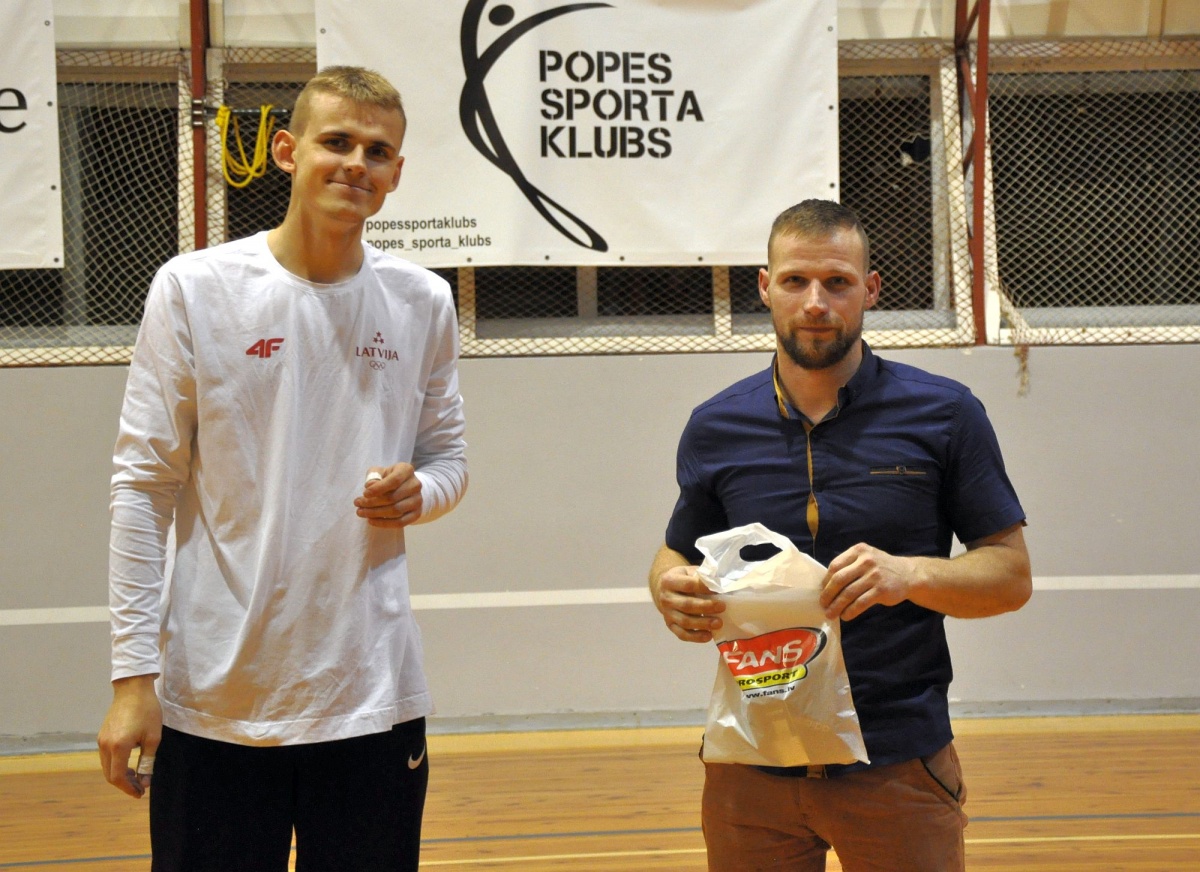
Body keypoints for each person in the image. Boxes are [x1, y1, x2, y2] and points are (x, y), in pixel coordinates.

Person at [96, 66, 467, 872]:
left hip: (371, 700)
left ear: (397, 173)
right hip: (216, 703)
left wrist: (421, 491)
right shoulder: (195, 288)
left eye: (377, 151)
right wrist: (133, 679)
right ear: (287, 152)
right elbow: (142, 488)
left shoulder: (423, 301)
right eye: (337, 141)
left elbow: (449, 459)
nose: (356, 163)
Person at [649, 199, 1031, 872]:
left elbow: (1009, 575)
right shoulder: (715, 427)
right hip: (751, 770)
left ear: (871, 289)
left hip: (897, 766)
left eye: (838, 282)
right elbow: (678, 550)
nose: (816, 303)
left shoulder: (944, 414)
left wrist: (909, 574)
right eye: (795, 281)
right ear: (765, 287)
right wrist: (667, 587)